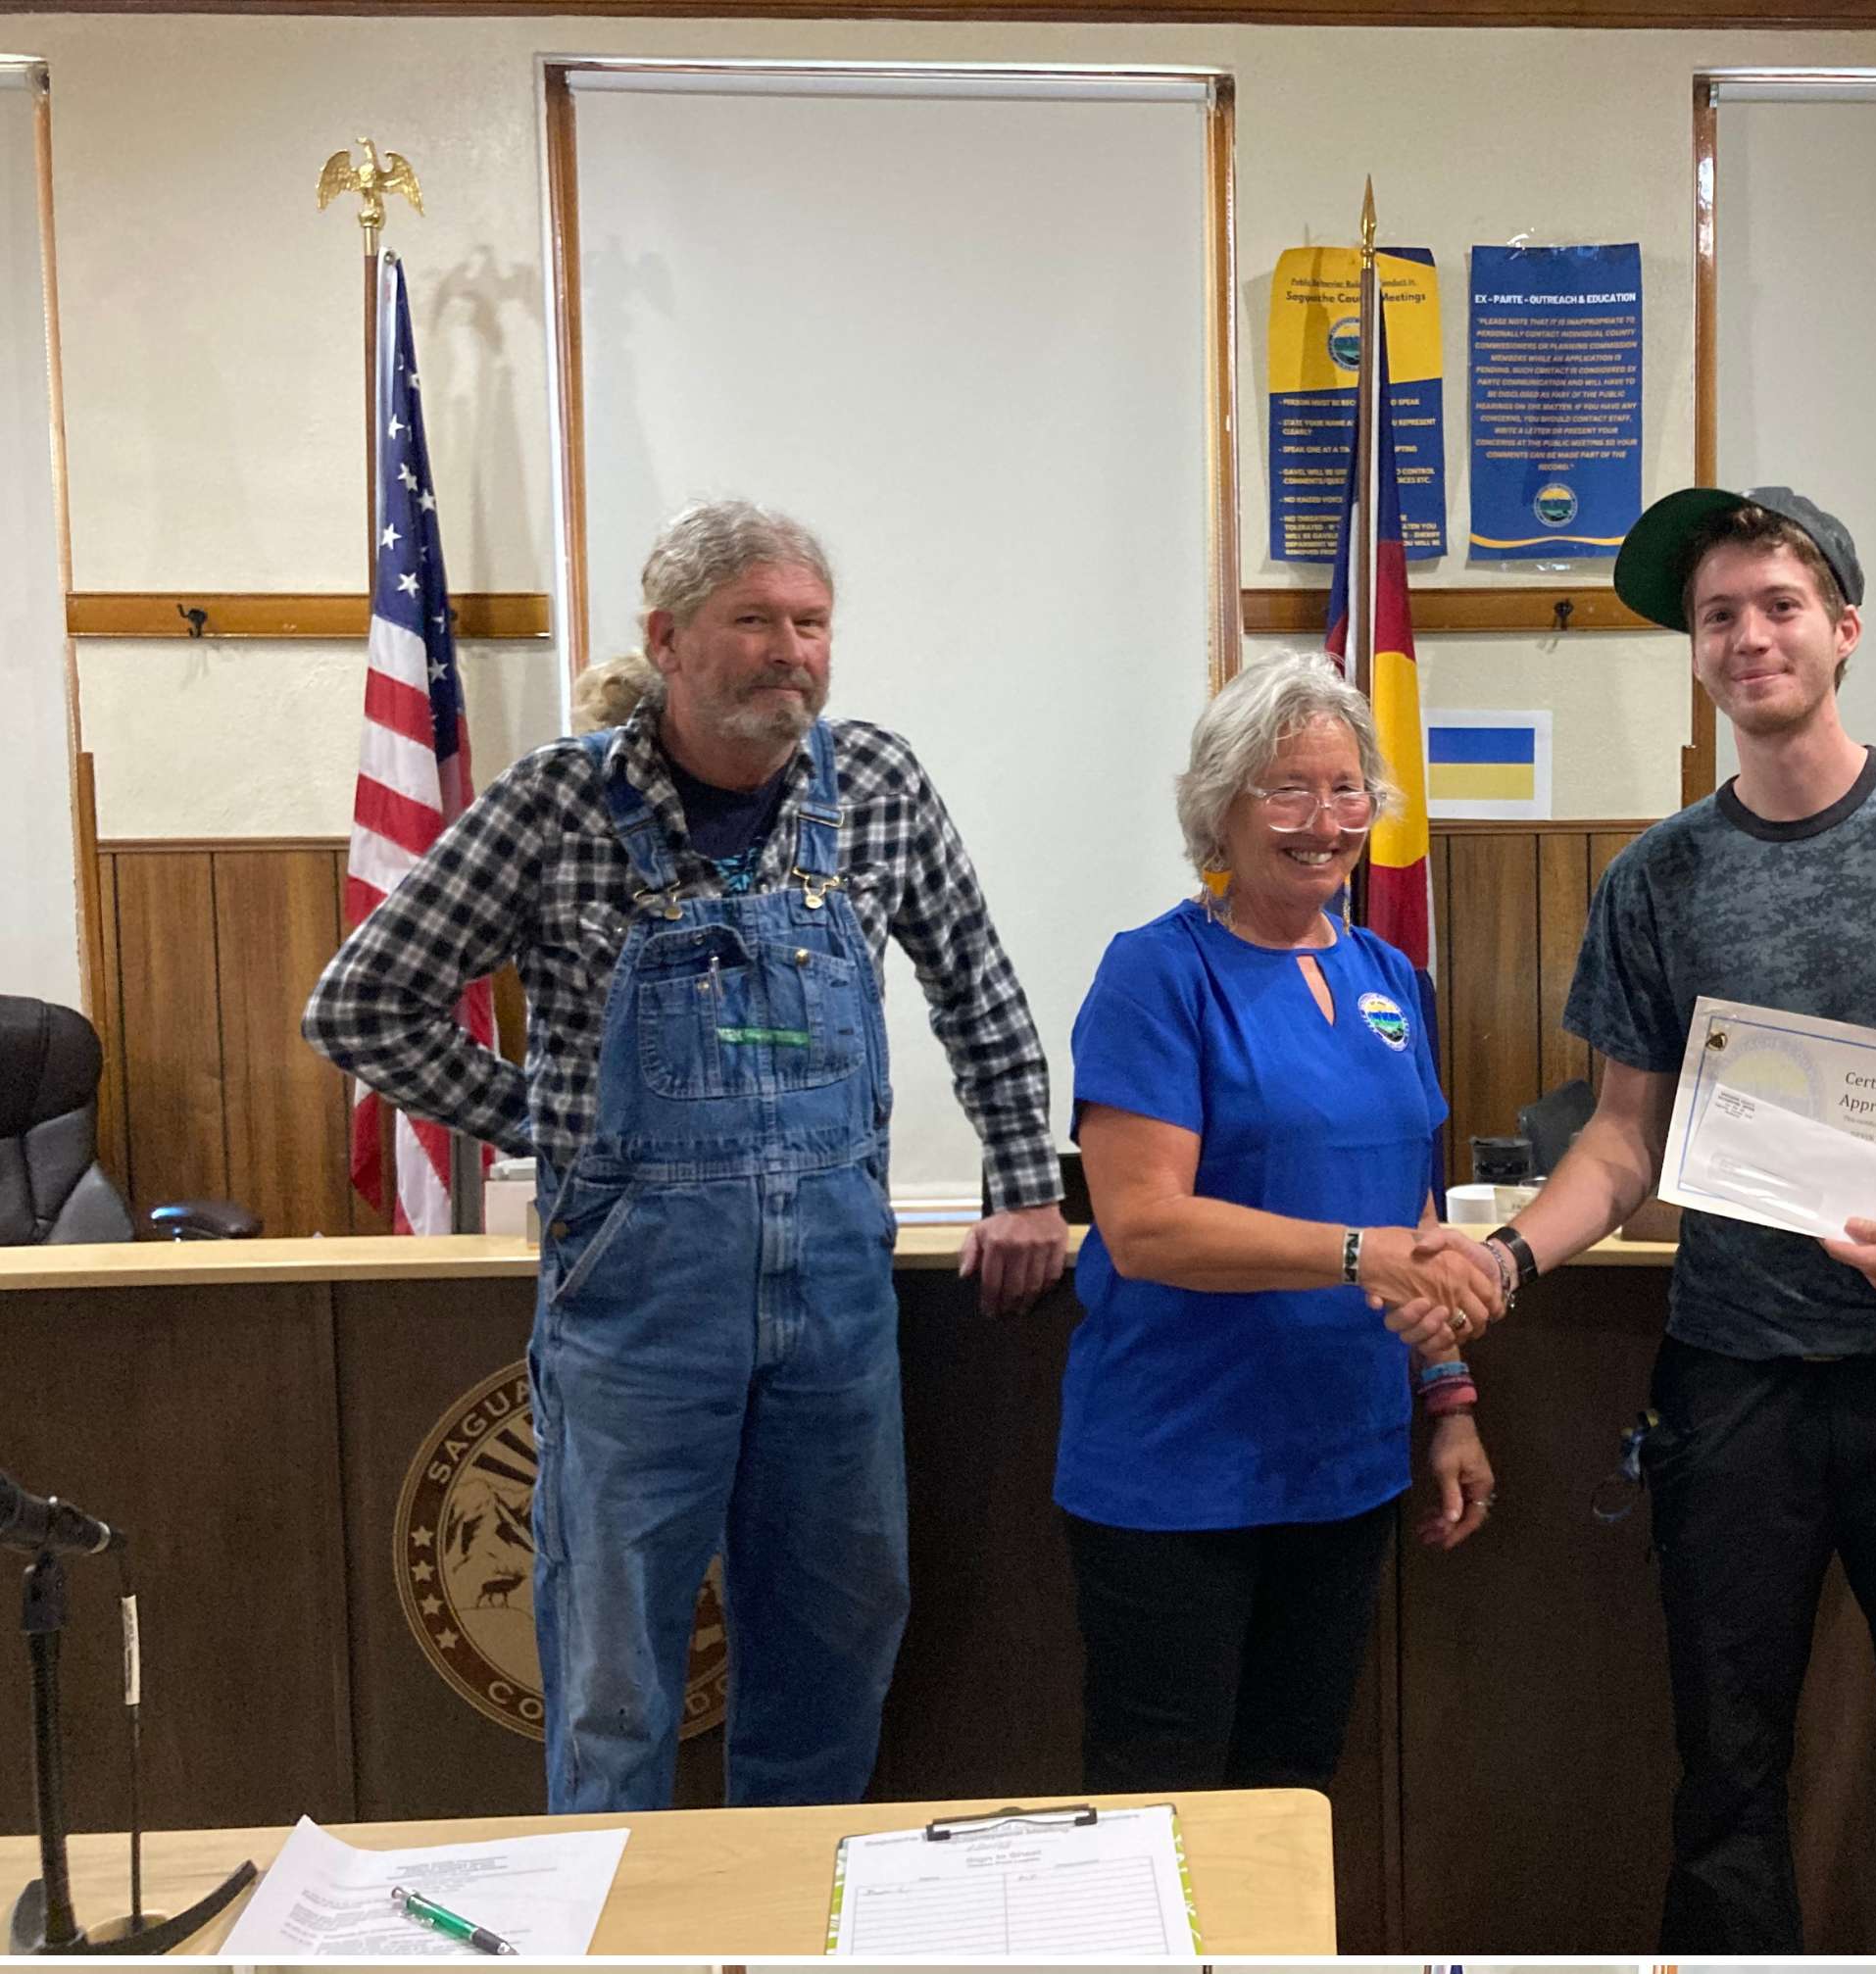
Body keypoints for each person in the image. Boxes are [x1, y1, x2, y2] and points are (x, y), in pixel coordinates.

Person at [301, 497, 1072, 1811]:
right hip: (637, 1315)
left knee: (837, 1640)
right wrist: (551, 1122)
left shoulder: (877, 787)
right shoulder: (556, 807)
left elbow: (980, 992)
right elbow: (360, 1005)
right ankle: (615, 1962)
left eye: (812, 623)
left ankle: (785, 1943)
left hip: (833, 1307)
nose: (792, 651)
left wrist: (1025, 1181)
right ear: (669, 638)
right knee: (613, 1676)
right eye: (755, 621)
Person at [1468, 484, 1876, 1950]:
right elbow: (1622, 1145)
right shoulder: (1655, 881)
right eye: (1718, 618)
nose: (1748, 638)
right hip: (1736, 1380)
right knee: (1725, 1786)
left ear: (1843, 632)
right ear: (1695, 654)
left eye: (1778, 608)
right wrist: (1506, 1257)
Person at [1045, 653, 1501, 1794]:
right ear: (1221, 807)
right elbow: (1143, 1226)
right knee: (1164, 1801)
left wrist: (1446, 1397)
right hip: (1177, 1465)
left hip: (1344, 1463)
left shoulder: (1391, 975)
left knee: (1292, 1797)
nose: (1324, 821)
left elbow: (1413, 1207)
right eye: (1286, 789)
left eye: (1346, 789)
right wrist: (1358, 1255)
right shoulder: (1156, 974)